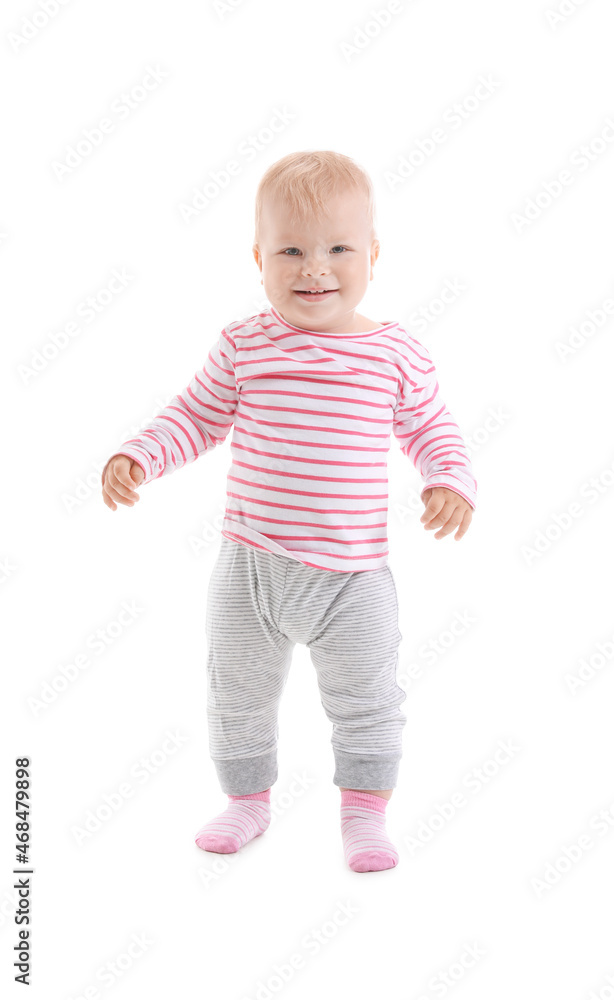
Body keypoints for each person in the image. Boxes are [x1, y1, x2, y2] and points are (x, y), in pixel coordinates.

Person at [101, 150, 477, 872]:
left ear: (373, 254)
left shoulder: (394, 353)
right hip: (249, 568)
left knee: (368, 699)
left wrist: (450, 481)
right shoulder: (247, 345)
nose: (316, 269)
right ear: (259, 258)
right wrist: (141, 454)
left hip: (352, 579)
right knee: (235, 694)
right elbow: (195, 416)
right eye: (292, 251)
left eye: (339, 248)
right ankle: (247, 801)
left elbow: (433, 429)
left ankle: (365, 815)